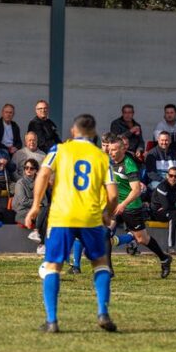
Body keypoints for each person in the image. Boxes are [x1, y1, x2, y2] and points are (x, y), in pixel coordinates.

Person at [24, 114, 119, 334]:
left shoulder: (59, 150)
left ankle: (52, 321)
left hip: (62, 216)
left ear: (73, 131)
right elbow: (113, 194)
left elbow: (42, 175)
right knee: (100, 263)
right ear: (94, 134)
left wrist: (36, 206)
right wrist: (107, 213)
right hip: (90, 216)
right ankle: (102, 312)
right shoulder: (101, 157)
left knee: (53, 266)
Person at [106, 135, 171, 275]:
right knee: (105, 234)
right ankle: (108, 269)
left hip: (131, 206)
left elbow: (136, 190)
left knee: (142, 239)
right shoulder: (108, 162)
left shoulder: (128, 164)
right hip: (115, 205)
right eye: (109, 149)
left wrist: (123, 205)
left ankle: (164, 258)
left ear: (123, 150)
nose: (111, 152)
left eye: (114, 150)